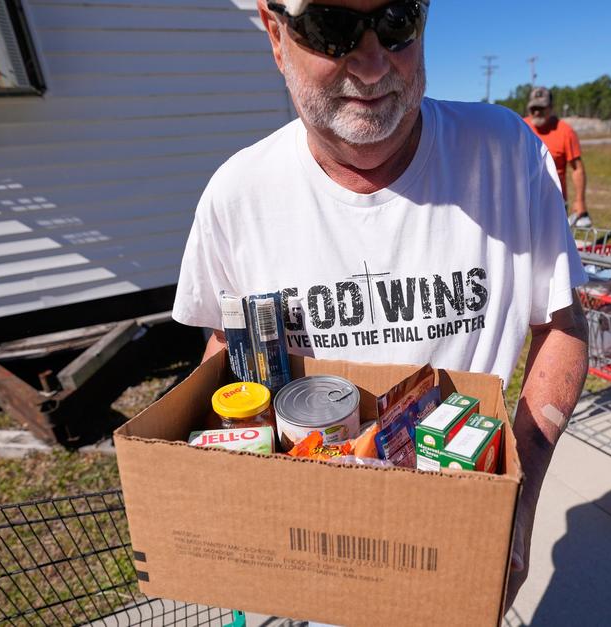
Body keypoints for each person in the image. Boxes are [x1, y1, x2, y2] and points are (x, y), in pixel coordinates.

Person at [172, 0, 589, 610]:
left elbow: (563, 325)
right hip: (313, 560)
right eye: (332, 28)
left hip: (457, 548)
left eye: (396, 21)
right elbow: (227, 351)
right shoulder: (237, 196)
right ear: (275, 32)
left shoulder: (507, 154)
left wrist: (518, 502)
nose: (371, 65)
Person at [523, 86, 592, 228]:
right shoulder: (520, 127)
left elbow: (577, 169)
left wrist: (580, 200)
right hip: (523, 201)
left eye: (541, 108)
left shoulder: (565, 132)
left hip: (554, 203)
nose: (536, 112)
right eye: (533, 108)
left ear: (551, 108)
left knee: (553, 249)